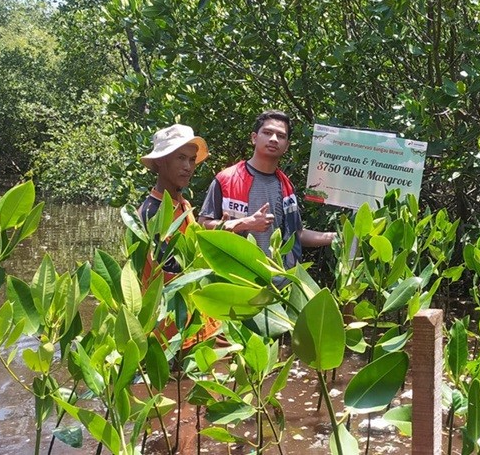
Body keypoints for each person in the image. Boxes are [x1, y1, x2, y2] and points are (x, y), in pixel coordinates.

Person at [198, 110, 334, 267]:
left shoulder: (286, 186)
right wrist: (245, 223)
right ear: (254, 138)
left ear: (287, 146)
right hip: (239, 277)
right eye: (268, 133)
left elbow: (297, 234)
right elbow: (203, 225)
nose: (274, 139)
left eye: (281, 136)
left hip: (280, 281)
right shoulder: (226, 179)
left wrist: (337, 237)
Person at [138, 123, 218, 343]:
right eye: (180, 158)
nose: (188, 167)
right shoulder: (151, 213)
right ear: (161, 161)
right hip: (171, 335)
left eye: (192, 160)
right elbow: (175, 271)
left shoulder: (183, 205)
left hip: (197, 325)